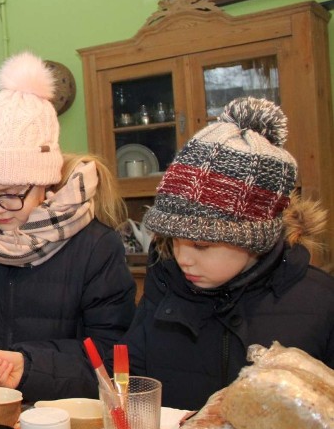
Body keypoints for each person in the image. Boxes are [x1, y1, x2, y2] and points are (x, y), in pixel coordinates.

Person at [0, 52, 136, 402]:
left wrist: (28, 365)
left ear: (45, 182)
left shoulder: (96, 245)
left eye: (10, 195)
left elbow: (112, 355)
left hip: (68, 414)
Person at [115, 97, 334, 411]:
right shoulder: (165, 282)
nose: (183, 258)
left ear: (255, 238)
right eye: (174, 240)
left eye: (201, 245)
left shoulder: (320, 301)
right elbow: (131, 374)